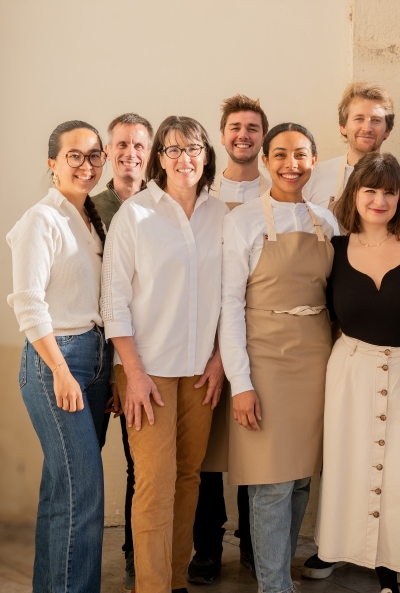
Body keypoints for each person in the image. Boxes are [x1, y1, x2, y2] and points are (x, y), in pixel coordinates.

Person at [317, 152, 400, 593]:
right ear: (353, 195)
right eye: (370, 190)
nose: (379, 200)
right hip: (353, 378)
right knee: (363, 477)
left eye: (389, 192)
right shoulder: (334, 251)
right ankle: (384, 583)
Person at [102, 116, 228, 593]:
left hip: (200, 371)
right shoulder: (135, 216)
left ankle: (175, 579)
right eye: (172, 150)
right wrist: (132, 375)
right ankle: (152, 586)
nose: (184, 158)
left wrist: (219, 358)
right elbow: (113, 302)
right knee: (155, 483)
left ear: (205, 155)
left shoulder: (220, 215)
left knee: (188, 478)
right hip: (146, 371)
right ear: (158, 159)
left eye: (192, 148)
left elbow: (229, 294)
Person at [220, 122, 338, 593]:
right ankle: (274, 586)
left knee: (303, 477)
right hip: (264, 356)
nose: (293, 164)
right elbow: (229, 305)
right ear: (266, 161)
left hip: (316, 355)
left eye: (302, 155)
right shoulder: (244, 220)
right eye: (282, 155)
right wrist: (241, 383)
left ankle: (278, 574)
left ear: (314, 161)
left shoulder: (325, 222)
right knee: (271, 483)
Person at [6, 120, 111, 593]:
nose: (86, 165)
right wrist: (62, 372)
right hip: (56, 361)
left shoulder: (91, 220)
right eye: (75, 155)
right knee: (83, 493)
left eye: (94, 156)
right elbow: (28, 302)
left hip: (94, 359)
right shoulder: (41, 220)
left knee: (60, 493)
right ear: (52, 163)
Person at [190, 94, 268, 585]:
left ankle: (256, 547)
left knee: (254, 448)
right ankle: (207, 547)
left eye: (253, 128)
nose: (243, 135)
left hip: (256, 342)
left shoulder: (274, 196)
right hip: (200, 343)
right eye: (235, 127)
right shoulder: (202, 196)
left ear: (263, 137)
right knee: (205, 456)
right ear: (222, 136)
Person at [91, 112, 152, 593]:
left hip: (145, 356)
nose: (130, 152)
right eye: (121, 144)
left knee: (141, 464)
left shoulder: (162, 204)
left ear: (150, 151)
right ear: (108, 151)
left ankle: (137, 557)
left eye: (139, 144)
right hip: (96, 355)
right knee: (88, 468)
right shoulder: (92, 208)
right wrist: (115, 369)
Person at [304, 82, 400, 216]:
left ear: (387, 130)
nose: (367, 128)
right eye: (359, 118)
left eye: (376, 120)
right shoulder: (315, 176)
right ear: (343, 126)